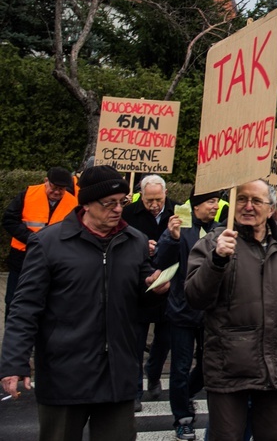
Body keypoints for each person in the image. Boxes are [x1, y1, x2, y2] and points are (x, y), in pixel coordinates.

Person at [0, 165, 169, 441]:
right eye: (109, 203)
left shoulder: (135, 241)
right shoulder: (48, 244)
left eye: (122, 202)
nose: (118, 209)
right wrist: (14, 362)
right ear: (87, 204)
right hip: (65, 374)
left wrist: (155, 289)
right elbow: (25, 307)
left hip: (118, 374)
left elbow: (139, 302)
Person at [185, 179, 277, 441]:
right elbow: (194, 297)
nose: (248, 206)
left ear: (271, 208)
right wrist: (216, 261)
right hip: (229, 366)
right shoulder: (216, 241)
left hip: (276, 364)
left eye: (256, 201)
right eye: (241, 199)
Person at [154, 188, 221, 440]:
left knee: (207, 366)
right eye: (211, 202)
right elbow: (160, 260)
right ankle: (183, 418)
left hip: (210, 313)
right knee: (180, 368)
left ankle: (186, 394)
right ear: (196, 206)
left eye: (216, 201)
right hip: (182, 311)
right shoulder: (180, 228)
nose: (215, 206)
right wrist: (171, 239)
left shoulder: (220, 230)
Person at [121, 174, 177, 411]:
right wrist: (138, 247)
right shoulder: (128, 213)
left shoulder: (177, 211)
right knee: (135, 342)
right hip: (139, 286)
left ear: (165, 193)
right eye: (149, 200)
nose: (154, 205)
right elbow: (117, 243)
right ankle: (134, 391)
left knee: (164, 340)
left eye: (158, 199)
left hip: (167, 284)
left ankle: (153, 374)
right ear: (141, 196)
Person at [2, 166, 76, 321]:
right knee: (14, 300)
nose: (57, 192)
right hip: (22, 258)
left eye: (61, 189)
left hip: (54, 261)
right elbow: (9, 220)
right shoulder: (28, 194)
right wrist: (32, 239)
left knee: (46, 302)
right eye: (54, 188)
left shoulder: (73, 203)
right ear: (46, 181)